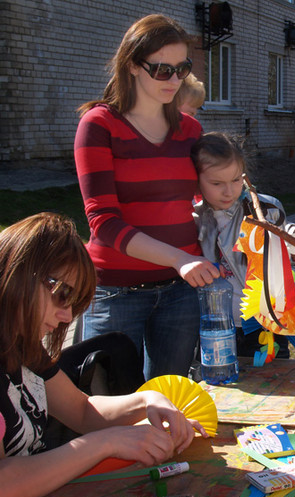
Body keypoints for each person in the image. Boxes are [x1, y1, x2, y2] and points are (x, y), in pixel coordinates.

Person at [0, 213, 207, 497]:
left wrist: (146, 400)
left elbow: (81, 410)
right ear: (21, 273)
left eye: (74, 304)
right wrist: (103, 443)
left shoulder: (22, 345)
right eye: (63, 294)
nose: (68, 318)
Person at [74, 14, 219, 379]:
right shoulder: (99, 125)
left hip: (180, 292)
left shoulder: (191, 130)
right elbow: (103, 223)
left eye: (182, 69)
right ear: (133, 66)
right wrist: (178, 259)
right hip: (116, 293)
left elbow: (215, 197)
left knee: (172, 400)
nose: (175, 80)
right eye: (162, 70)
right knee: (113, 407)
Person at [192, 132, 295, 359]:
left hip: (267, 322)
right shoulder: (193, 219)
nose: (228, 191)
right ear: (196, 179)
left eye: (235, 180)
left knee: (275, 379)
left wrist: (291, 269)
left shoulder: (267, 210)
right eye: (216, 183)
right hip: (220, 325)